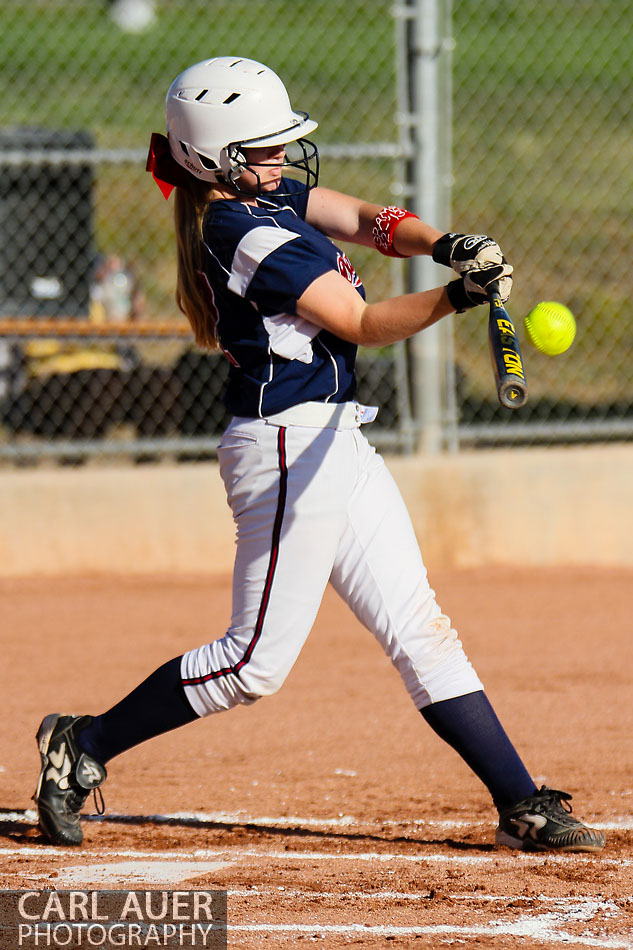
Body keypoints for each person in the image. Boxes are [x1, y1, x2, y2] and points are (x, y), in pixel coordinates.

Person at [33, 56, 605, 854]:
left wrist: (448, 245)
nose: (281, 160)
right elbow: (361, 322)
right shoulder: (240, 230)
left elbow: (369, 219)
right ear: (215, 159)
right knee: (252, 665)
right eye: (262, 149)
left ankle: (521, 803)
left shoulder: (265, 192)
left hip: (336, 435)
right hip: (284, 450)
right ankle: (81, 744)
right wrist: (455, 297)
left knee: (418, 625)